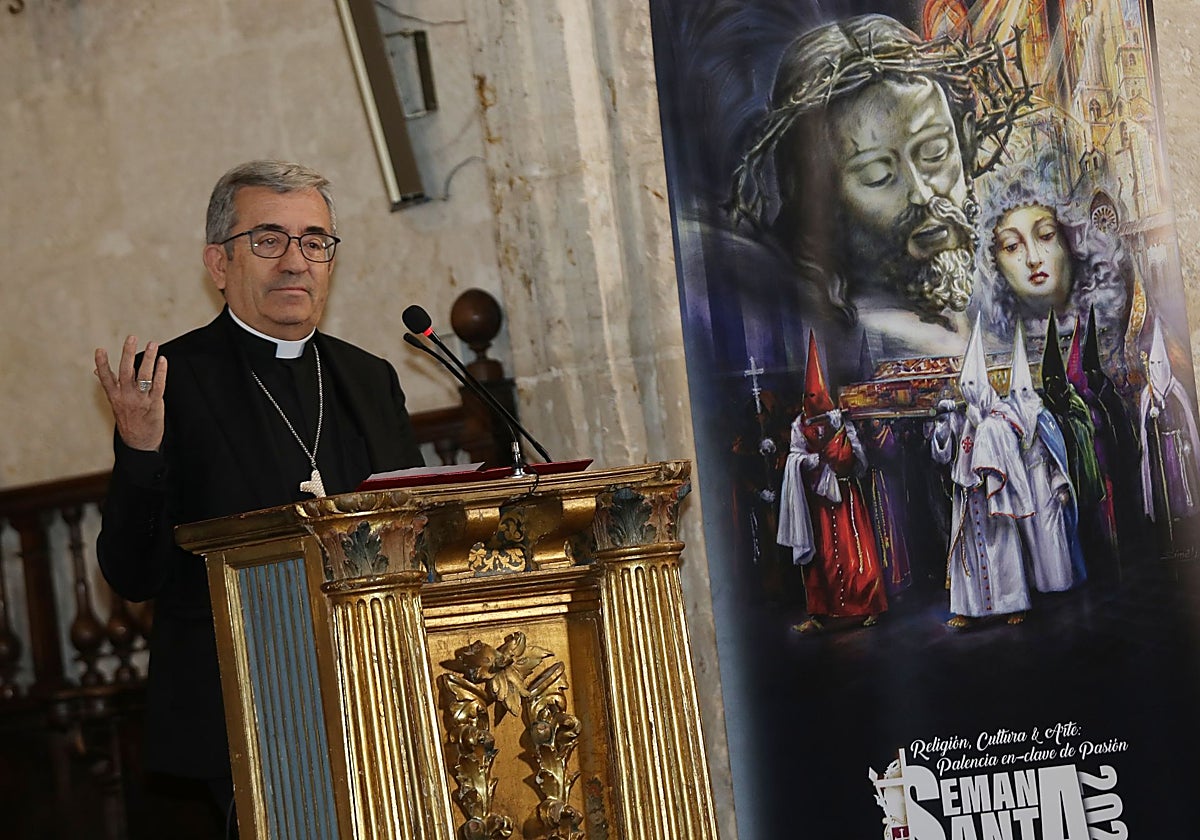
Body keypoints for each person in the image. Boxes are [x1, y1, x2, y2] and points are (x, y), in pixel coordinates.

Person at [93, 161, 425, 831]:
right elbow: (133, 573)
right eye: (268, 240)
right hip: (245, 703)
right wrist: (139, 448)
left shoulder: (369, 378)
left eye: (314, 241)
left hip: (378, 690)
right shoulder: (169, 380)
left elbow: (415, 530)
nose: (295, 261)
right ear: (219, 262)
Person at [731, 14, 1030, 362]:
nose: (922, 193)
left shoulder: (1002, 292)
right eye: (877, 175)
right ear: (814, 194)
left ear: (964, 141)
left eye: (934, 153)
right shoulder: (831, 335)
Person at [776, 331, 887, 633]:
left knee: (855, 552)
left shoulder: (840, 421)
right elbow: (796, 457)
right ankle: (819, 614)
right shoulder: (800, 423)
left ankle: (870, 606)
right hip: (818, 501)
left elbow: (854, 461)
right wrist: (813, 461)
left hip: (845, 495)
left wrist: (840, 435)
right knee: (821, 557)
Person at [975, 158, 1131, 363]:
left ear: (1069, 242)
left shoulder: (1114, 320)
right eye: (1012, 246)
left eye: (1046, 235)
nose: (1033, 259)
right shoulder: (994, 342)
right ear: (997, 265)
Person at [930, 316, 1033, 627]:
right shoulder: (966, 414)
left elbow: (1011, 441)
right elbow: (948, 454)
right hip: (969, 494)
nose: (969, 393)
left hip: (994, 496)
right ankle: (967, 608)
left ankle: (1013, 604)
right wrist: (943, 431)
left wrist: (986, 426)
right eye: (966, 388)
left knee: (1002, 548)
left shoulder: (1001, 412)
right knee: (968, 550)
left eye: (973, 386)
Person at [1006, 325, 1086, 592]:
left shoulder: (1043, 417)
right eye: (1015, 393)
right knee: (1032, 539)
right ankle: (1040, 586)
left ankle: (1061, 581)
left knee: (1051, 533)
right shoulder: (1010, 421)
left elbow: (1055, 456)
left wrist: (1060, 485)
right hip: (1023, 485)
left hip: (1044, 482)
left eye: (1022, 392)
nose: (1019, 398)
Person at [1138, 318, 1200, 538]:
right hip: (1159, 450)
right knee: (1164, 484)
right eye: (1153, 365)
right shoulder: (1147, 395)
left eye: (1159, 364)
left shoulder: (1177, 390)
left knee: (1182, 483)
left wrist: (1182, 435)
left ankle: (1186, 520)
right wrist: (1151, 418)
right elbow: (1144, 435)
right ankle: (1167, 519)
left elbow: (1187, 421)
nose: (1156, 369)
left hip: (1177, 445)